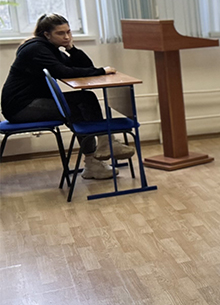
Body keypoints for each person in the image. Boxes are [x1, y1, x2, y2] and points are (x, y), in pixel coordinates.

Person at [1, 13, 134, 180]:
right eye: (60, 33)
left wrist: (71, 48)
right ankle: (96, 157)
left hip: (33, 102)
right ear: (46, 34)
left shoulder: (50, 48)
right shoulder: (36, 49)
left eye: (68, 32)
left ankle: (103, 146)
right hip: (20, 108)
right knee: (77, 109)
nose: (66, 36)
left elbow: (84, 66)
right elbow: (63, 72)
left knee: (86, 98)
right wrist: (101, 71)